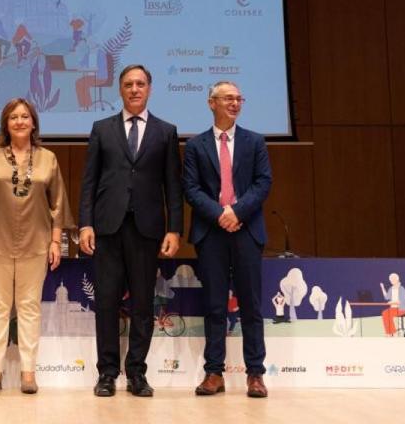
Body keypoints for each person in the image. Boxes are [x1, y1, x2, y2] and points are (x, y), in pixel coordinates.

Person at [78, 64, 182, 398]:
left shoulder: (166, 131)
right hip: (107, 228)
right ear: (120, 89)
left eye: (140, 84)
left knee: (142, 305)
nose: (134, 89)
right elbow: (89, 182)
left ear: (149, 88)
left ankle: (137, 373)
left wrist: (174, 229)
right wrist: (85, 223)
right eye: (128, 84)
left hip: (147, 230)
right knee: (106, 303)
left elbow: (173, 186)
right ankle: (107, 374)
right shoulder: (101, 128)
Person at [0, 98, 72, 394]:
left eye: (25, 116)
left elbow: (58, 204)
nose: (20, 121)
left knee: (29, 308)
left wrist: (56, 241)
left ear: (34, 123)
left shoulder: (48, 158)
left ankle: (28, 373)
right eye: (13, 117)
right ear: (6, 124)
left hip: (36, 244)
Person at [184, 80, 272, 398]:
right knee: (214, 306)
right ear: (212, 103)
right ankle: (213, 373)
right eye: (228, 98)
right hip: (211, 233)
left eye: (239, 99)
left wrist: (236, 212)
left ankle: (255, 374)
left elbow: (263, 183)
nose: (235, 103)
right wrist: (221, 214)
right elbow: (191, 188)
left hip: (246, 230)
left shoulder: (254, 142)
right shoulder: (195, 146)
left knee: (251, 306)